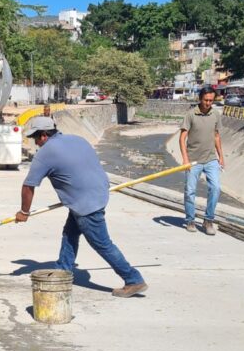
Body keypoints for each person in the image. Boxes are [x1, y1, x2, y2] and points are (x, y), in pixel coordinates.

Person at [14, 115, 148, 298]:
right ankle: (63, 271)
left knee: (102, 244)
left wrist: (24, 212)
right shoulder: (77, 139)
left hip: (85, 204)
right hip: (97, 193)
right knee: (70, 233)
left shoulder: (45, 153)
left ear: (44, 135)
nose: (36, 143)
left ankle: (133, 279)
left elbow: (28, 186)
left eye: (35, 138)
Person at [179, 85, 225, 235]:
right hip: (193, 160)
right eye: (206, 100)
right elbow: (182, 138)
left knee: (216, 188)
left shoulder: (215, 114)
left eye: (211, 100)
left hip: (211, 159)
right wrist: (185, 159)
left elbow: (216, 136)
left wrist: (221, 156)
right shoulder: (191, 114)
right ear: (200, 99)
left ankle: (208, 220)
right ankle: (190, 220)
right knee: (190, 191)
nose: (208, 103)